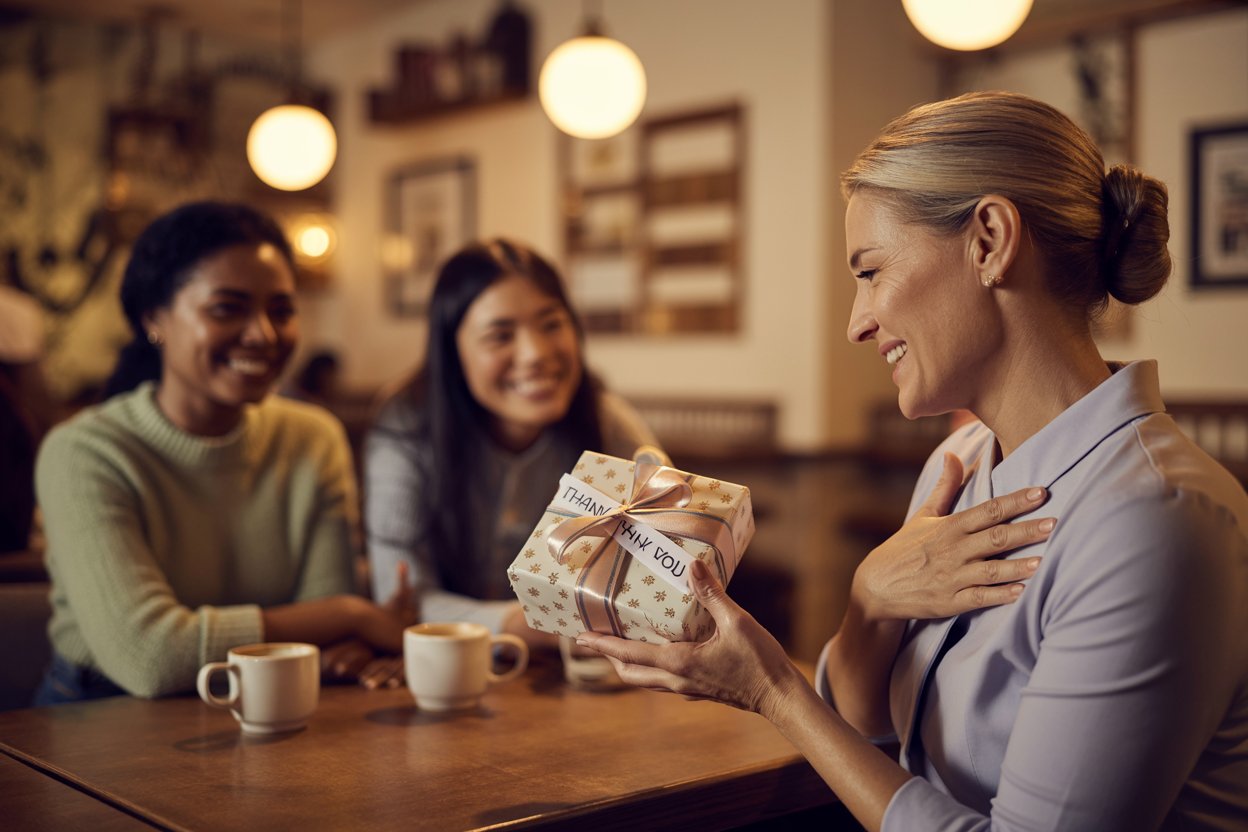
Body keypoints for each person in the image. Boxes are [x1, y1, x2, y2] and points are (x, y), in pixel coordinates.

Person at [578, 91, 1248, 831]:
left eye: (870, 271)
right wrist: (869, 603)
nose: (857, 322)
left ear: (989, 240)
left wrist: (771, 688)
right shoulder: (958, 464)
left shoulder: (1154, 522)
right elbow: (863, 739)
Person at [33, 201, 412, 704]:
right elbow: (151, 658)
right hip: (101, 712)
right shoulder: (84, 451)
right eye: (227, 308)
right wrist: (352, 614)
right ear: (155, 318)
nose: (264, 334)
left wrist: (336, 624)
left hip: (273, 698)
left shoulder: (311, 437)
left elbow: (327, 629)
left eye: (281, 310)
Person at [365, 238, 660, 654]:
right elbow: (401, 601)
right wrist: (530, 626)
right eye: (500, 335)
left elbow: (660, 577)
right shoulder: (407, 431)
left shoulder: (609, 423)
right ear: (452, 353)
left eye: (552, 324)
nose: (536, 353)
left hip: (584, 685)